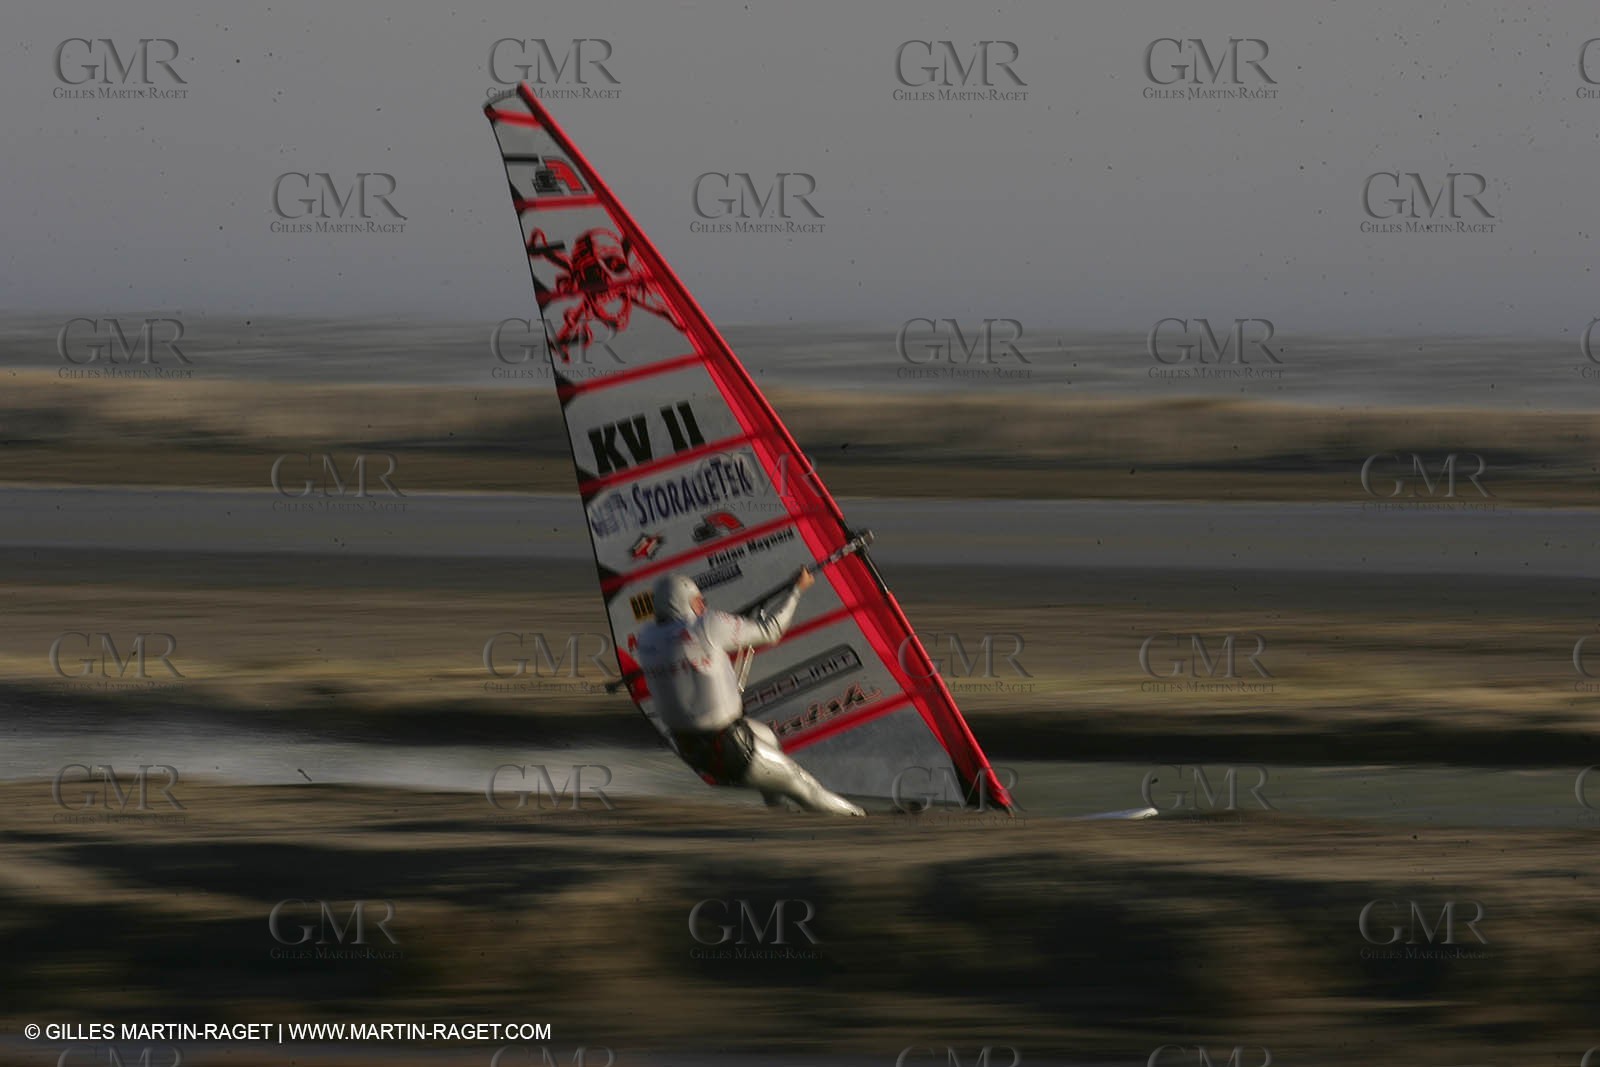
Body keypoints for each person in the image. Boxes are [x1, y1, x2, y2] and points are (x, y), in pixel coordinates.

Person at [635, 568, 866, 816]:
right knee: (803, 785)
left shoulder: (645, 639)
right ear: (683, 603)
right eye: (698, 601)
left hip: (689, 751)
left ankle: (777, 811)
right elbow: (771, 631)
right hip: (729, 748)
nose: (703, 606)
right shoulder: (707, 625)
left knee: (769, 738)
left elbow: (686, 646)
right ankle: (860, 821)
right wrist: (797, 590)